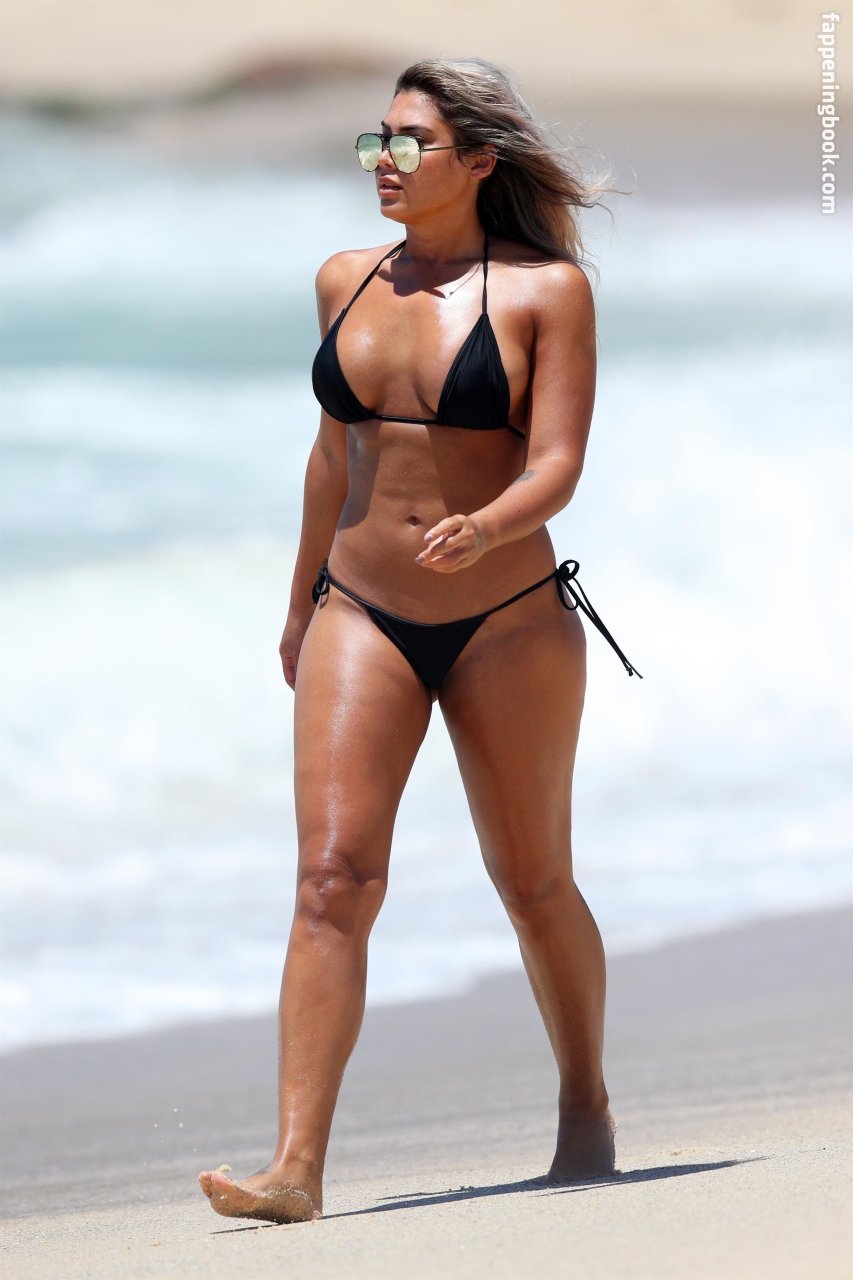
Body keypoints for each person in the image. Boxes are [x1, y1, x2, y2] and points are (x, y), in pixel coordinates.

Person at [199, 55, 640, 1226]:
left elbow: (558, 462)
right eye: (376, 140)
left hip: (508, 620)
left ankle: (585, 1101)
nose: (384, 161)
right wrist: (300, 601)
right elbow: (330, 454)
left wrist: (487, 524)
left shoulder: (546, 291)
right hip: (363, 610)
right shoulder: (343, 280)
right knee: (330, 877)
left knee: (533, 881)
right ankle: (294, 1164)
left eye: (410, 142)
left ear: (480, 161)